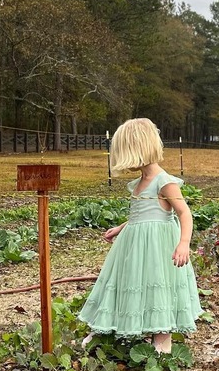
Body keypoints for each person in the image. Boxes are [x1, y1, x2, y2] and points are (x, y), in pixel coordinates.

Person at [79, 118, 203, 354]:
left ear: (136, 150)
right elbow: (141, 215)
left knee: (158, 286)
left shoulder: (165, 182)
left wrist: (184, 243)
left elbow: (184, 213)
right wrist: (121, 227)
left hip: (157, 247)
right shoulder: (139, 183)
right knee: (127, 281)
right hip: (133, 245)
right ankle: (109, 327)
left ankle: (162, 337)